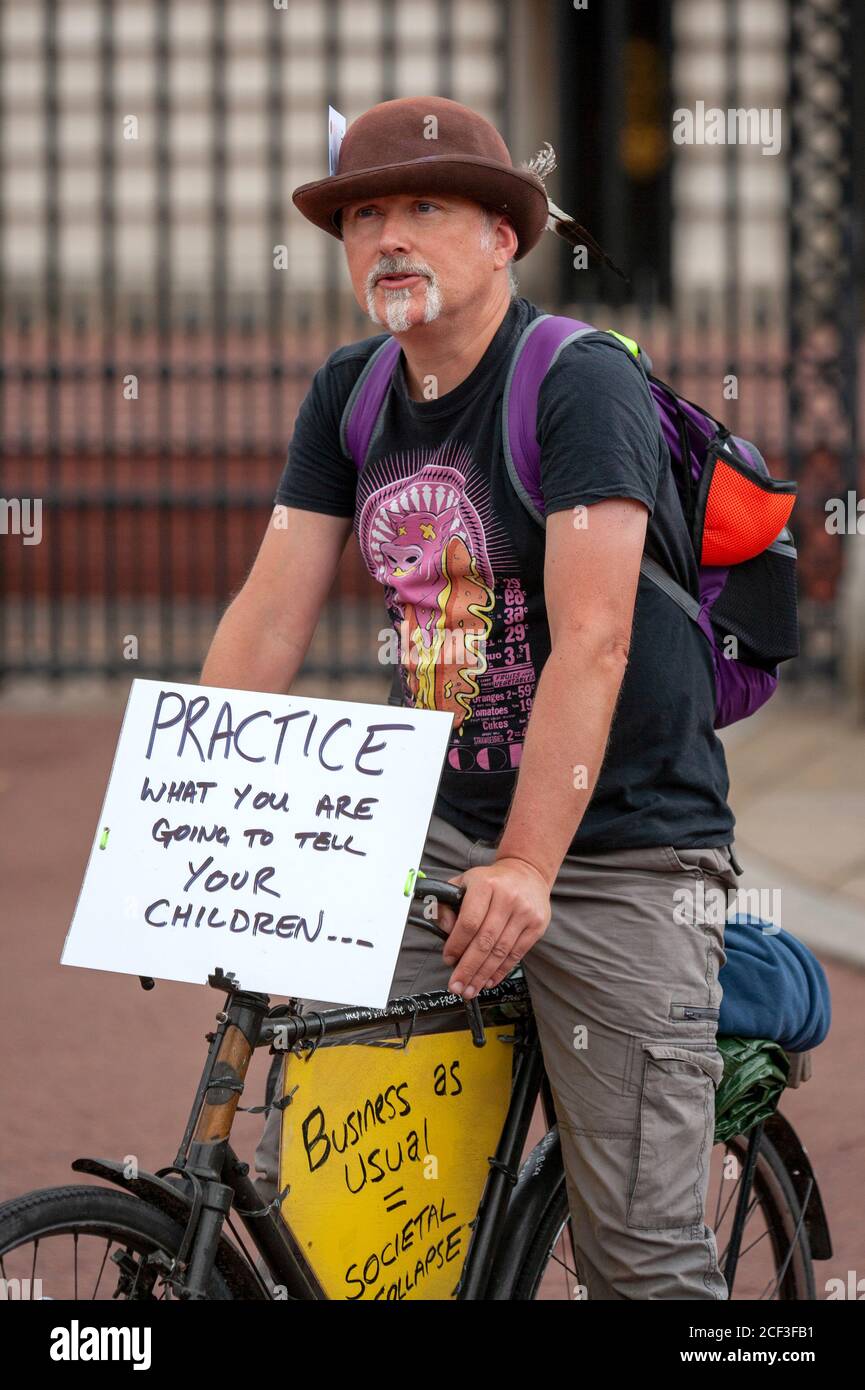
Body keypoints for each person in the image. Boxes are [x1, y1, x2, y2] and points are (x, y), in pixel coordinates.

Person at [199, 95, 741, 1300]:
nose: (388, 237)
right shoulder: (350, 392)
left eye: (424, 207)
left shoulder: (575, 381)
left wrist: (530, 868)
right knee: (358, 1227)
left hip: (622, 850)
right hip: (437, 835)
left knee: (642, 1259)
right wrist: (179, 804)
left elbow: (593, 640)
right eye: (364, 215)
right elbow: (272, 608)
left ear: (504, 235)